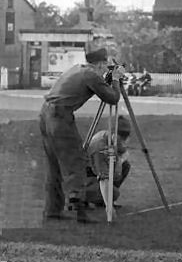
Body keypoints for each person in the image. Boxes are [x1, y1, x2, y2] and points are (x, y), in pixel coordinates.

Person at [39, 47, 124, 223]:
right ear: (99, 64)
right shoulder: (91, 75)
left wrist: (109, 78)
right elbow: (113, 98)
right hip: (60, 117)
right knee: (75, 164)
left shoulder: (79, 69)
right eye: (105, 65)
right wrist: (115, 79)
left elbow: (100, 86)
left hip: (46, 114)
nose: (106, 68)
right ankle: (79, 213)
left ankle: (52, 211)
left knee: (54, 165)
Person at [84, 115, 132, 208]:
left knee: (125, 165)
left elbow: (123, 152)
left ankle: (104, 198)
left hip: (98, 171)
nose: (123, 141)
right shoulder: (100, 147)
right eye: (121, 138)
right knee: (115, 194)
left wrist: (119, 163)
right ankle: (94, 198)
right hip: (90, 177)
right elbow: (103, 177)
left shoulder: (111, 137)